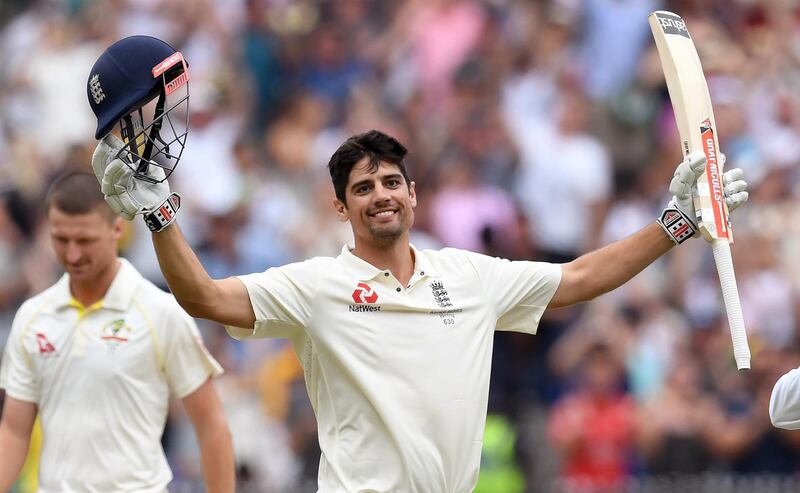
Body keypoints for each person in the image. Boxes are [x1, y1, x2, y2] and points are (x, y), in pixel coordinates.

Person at [88, 36, 749, 493]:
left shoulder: (468, 275)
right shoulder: (316, 285)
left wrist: (677, 224)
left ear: (413, 194)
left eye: (391, 182)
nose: (381, 194)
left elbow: (577, 279)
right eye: (364, 187)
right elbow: (203, 296)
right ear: (342, 209)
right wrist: (159, 214)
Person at [0, 172, 235, 493]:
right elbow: (14, 429)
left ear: (117, 229)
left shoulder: (159, 311)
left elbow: (211, 425)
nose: (72, 254)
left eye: (84, 241)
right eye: (60, 239)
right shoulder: (33, 316)